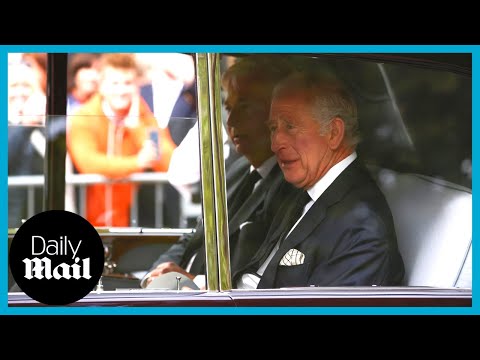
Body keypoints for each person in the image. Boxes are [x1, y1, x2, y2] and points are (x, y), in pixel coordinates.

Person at [234, 70, 405, 289]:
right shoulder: (300, 189)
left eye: (290, 126)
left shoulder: (361, 230)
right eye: (273, 128)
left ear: (333, 133)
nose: (275, 144)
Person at [141, 55, 295, 289]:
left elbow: (252, 274)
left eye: (245, 107)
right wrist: (154, 275)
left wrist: (192, 281)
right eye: (229, 108)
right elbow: (196, 235)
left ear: (275, 116)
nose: (231, 121)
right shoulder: (237, 170)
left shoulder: (288, 186)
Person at [67, 53, 177, 227]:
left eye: (127, 83)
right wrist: (137, 162)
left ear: (136, 86)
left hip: (133, 224)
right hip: (89, 219)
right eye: (115, 83)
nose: (121, 90)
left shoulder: (144, 115)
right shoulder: (84, 116)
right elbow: (88, 163)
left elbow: (168, 161)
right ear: (101, 86)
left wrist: (136, 127)